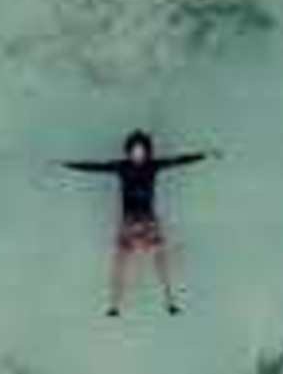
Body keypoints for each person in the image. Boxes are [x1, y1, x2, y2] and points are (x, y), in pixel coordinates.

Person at [60, 130, 219, 316]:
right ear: (128, 152)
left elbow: (178, 161)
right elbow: (95, 167)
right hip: (128, 221)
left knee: (160, 258)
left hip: (148, 219)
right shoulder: (122, 167)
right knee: (120, 261)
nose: (138, 154)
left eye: (141, 151)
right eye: (134, 151)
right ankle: (114, 306)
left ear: (147, 152)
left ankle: (170, 301)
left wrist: (205, 155)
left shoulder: (153, 166)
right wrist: (66, 164)